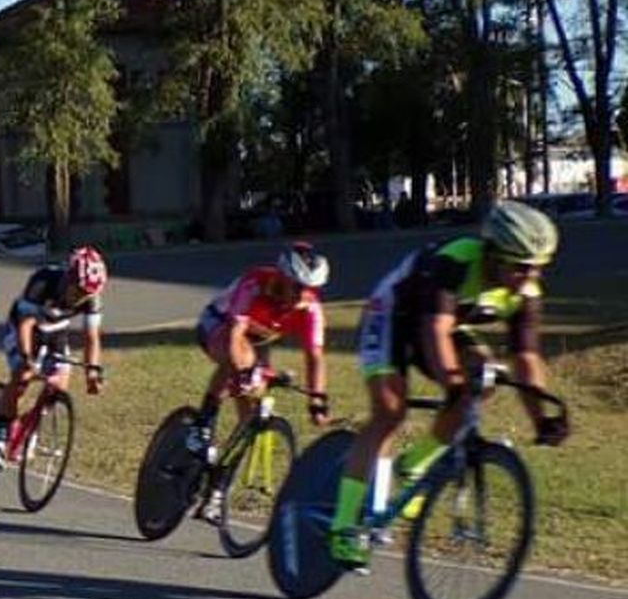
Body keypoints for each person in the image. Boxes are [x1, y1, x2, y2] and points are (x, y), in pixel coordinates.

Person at [327, 201, 570, 570]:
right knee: (390, 413)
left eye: (538, 267)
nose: (528, 276)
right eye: (520, 266)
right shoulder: (456, 260)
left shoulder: (526, 292)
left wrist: (541, 415)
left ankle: (413, 465)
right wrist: (454, 383)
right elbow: (434, 330)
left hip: (445, 326)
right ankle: (343, 525)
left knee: (484, 380)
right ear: (493, 254)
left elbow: (526, 358)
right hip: (392, 316)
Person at [192, 243, 332, 440]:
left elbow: (314, 357)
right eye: (298, 286)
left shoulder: (310, 308)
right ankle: (202, 423)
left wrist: (317, 400)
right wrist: (242, 372)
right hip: (219, 324)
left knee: (254, 397)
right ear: (283, 277)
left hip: (258, 339)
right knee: (243, 362)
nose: (304, 295)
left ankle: (228, 460)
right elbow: (235, 333)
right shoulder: (255, 283)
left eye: (312, 289)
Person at [0, 247, 109, 466]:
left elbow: (92, 337)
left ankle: (27, 427)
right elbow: (26, 324)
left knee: (58, 385)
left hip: (55, 332)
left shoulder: (91, 297)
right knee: (23, 375)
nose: (80, 299)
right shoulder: (43, 281)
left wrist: (92, 371)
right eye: (78, 291)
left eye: (86, 295)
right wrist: (26, 357)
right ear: (68, 279)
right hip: (25, 327)